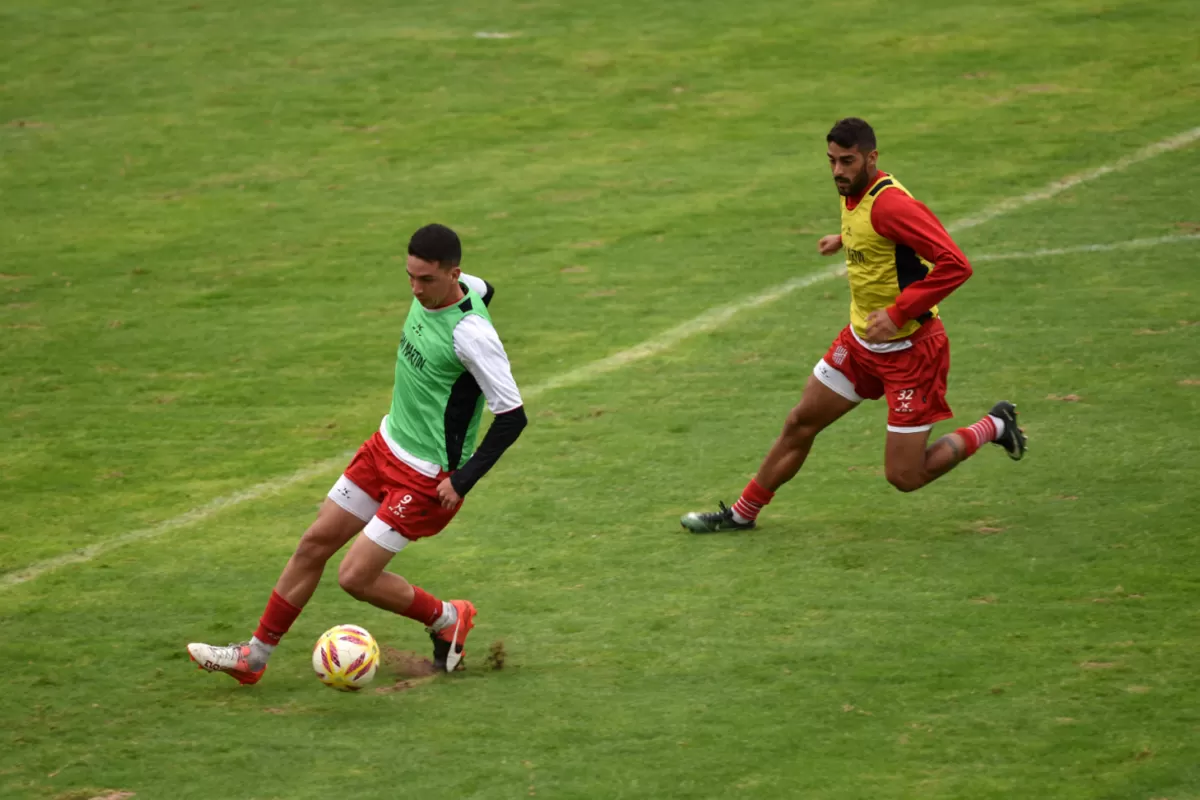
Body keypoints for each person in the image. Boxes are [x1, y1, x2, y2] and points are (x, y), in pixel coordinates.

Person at [188, 223, 527, 682]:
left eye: (426, 280)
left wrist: (462, 479)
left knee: (355, 577)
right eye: (410, 276)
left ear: (453, 274)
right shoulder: (463, 287)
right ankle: (254, 658)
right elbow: (488, 289)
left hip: (425, 477)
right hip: (384, 446)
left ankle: (447, 618)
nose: (415, 288)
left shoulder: (472, 336)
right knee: (313, 544)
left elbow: (512, 416)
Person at [681, 117, 1025, 533]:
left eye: (848, 161)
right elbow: (875, 233)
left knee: (905, 476)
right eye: (831, 161)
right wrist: (844, 239)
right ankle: (741, 514)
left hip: (912, 352)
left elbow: (956, 264)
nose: (838, 171)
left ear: (871, 158)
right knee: (799, 423)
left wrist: (898, 313)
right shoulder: (854, 194)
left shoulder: (892, 205)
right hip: (861, 345)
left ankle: (995, 425)